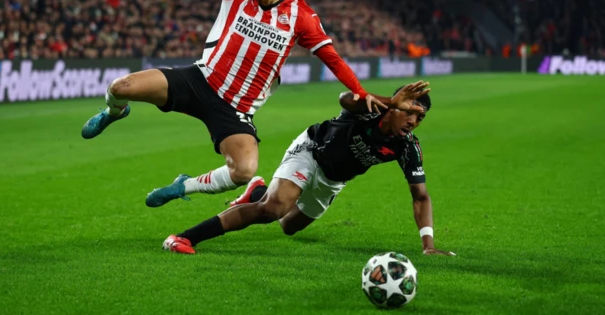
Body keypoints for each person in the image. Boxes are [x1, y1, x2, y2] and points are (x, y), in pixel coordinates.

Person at [80, 0, 386, 204]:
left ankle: (183, 186)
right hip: (199, 80)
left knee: (243, 170)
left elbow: (332, 58)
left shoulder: (301, 16)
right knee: (120, 86)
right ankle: (113, 112)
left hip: (235, 107)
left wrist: (360, 91)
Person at [156, 81, 456, 257]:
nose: (413, 122)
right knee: (272, 209)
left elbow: (421, 196)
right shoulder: (370, 109)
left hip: (333, 181)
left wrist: (427, 244)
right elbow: (344, 98)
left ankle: (257, 189)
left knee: (289, 226)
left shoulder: (407, 147)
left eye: (419, 119)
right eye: (409, 113)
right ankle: (184, 237)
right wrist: (389, 101)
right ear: (394, 107)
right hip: (311, 151)